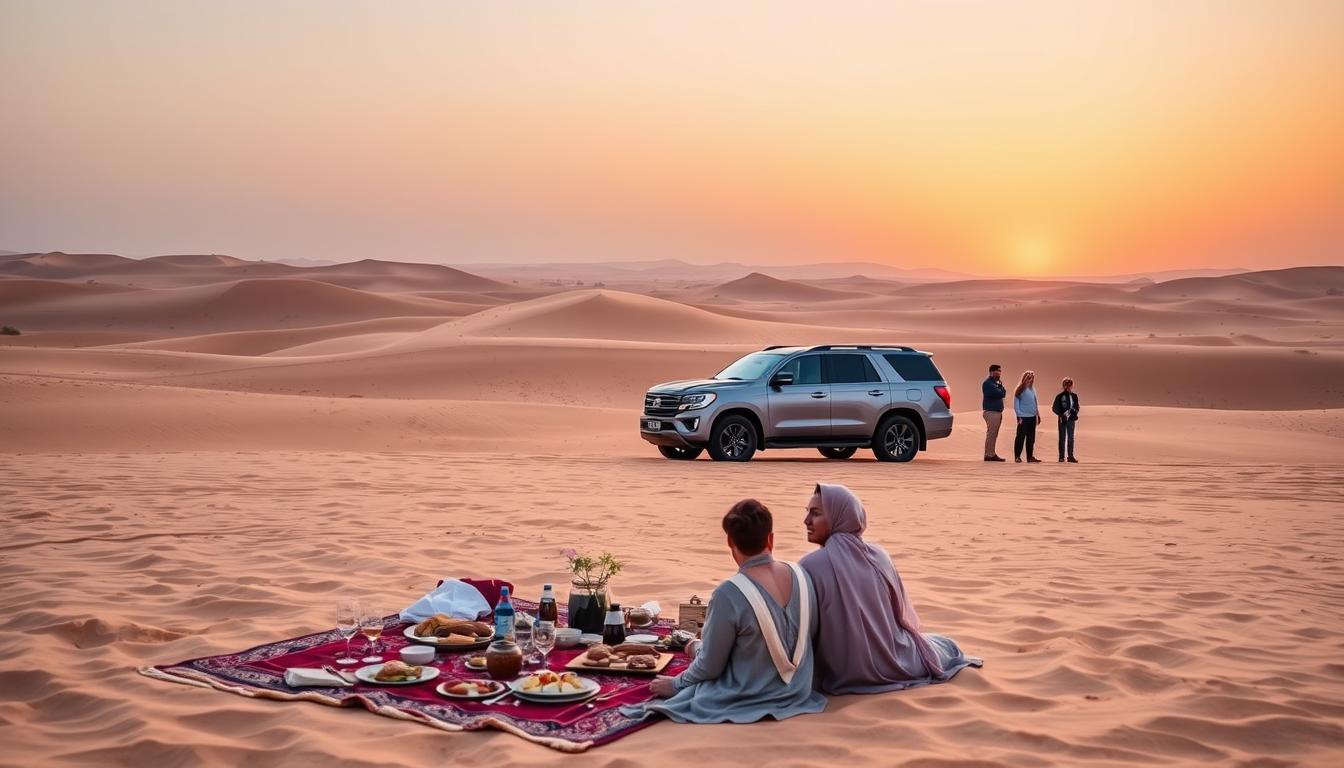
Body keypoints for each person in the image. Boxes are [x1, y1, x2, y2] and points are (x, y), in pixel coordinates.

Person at [644, 499, 826, 723]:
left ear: (730, 541)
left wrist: (676, 684)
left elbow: (710, 667)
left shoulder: (729, 593)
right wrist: (697, 647)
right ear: (771, 538)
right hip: (800, 692)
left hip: (748, 697)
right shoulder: (801, 575)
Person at [800, 484, 981, 694]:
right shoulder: (879, 555)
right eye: (807, 512)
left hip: (839, 671)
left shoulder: (808, 565)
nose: (806, 520)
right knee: (947, 646)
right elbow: (900, 617)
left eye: (816, 513)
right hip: (895, 659)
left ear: (838, 517)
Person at [1013, 370, 1041, 463]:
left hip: (1032, 417)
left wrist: (1038, 414)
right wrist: (1019, 415)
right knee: (1020, 437)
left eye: (1032, 377)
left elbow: (1035, 402)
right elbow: (1016, 404)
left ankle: (1030, 457)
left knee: (1031, 438)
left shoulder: (1033, 389)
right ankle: (1017, 456)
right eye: (1028, 377)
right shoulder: (1020, 389)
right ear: (1024, 378)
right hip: (1023, 417)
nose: (1030, 379)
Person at [981, 364, 1007, 462]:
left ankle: (991, 453)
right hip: (991, 412)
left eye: (1000, 371)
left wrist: (1000, 386)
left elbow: (1004, 393)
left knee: (994, 434)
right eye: (998, 370)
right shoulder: (988, 383)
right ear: (992, 372)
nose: (1000, 372)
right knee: (991, 433)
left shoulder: (996, 383)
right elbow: (999, 393)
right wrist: (1000, 387)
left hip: (997, 412)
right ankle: (989, 454)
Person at [1052, 376, 1080, 463]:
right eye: (1066, 384)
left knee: (1071, 438)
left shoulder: (1074, 396)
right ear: (1063, 385)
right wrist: (1061, 415)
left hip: (1071, 419)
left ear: (1072, 385)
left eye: (1070, 384)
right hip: (1062, 420)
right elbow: (1054, 408)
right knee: (1062, 438)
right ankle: (1061, 457)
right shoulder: (1060, 396)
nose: (1068, 386)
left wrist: (1074, 412)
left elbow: (1077, 407)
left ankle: (1070, 456)